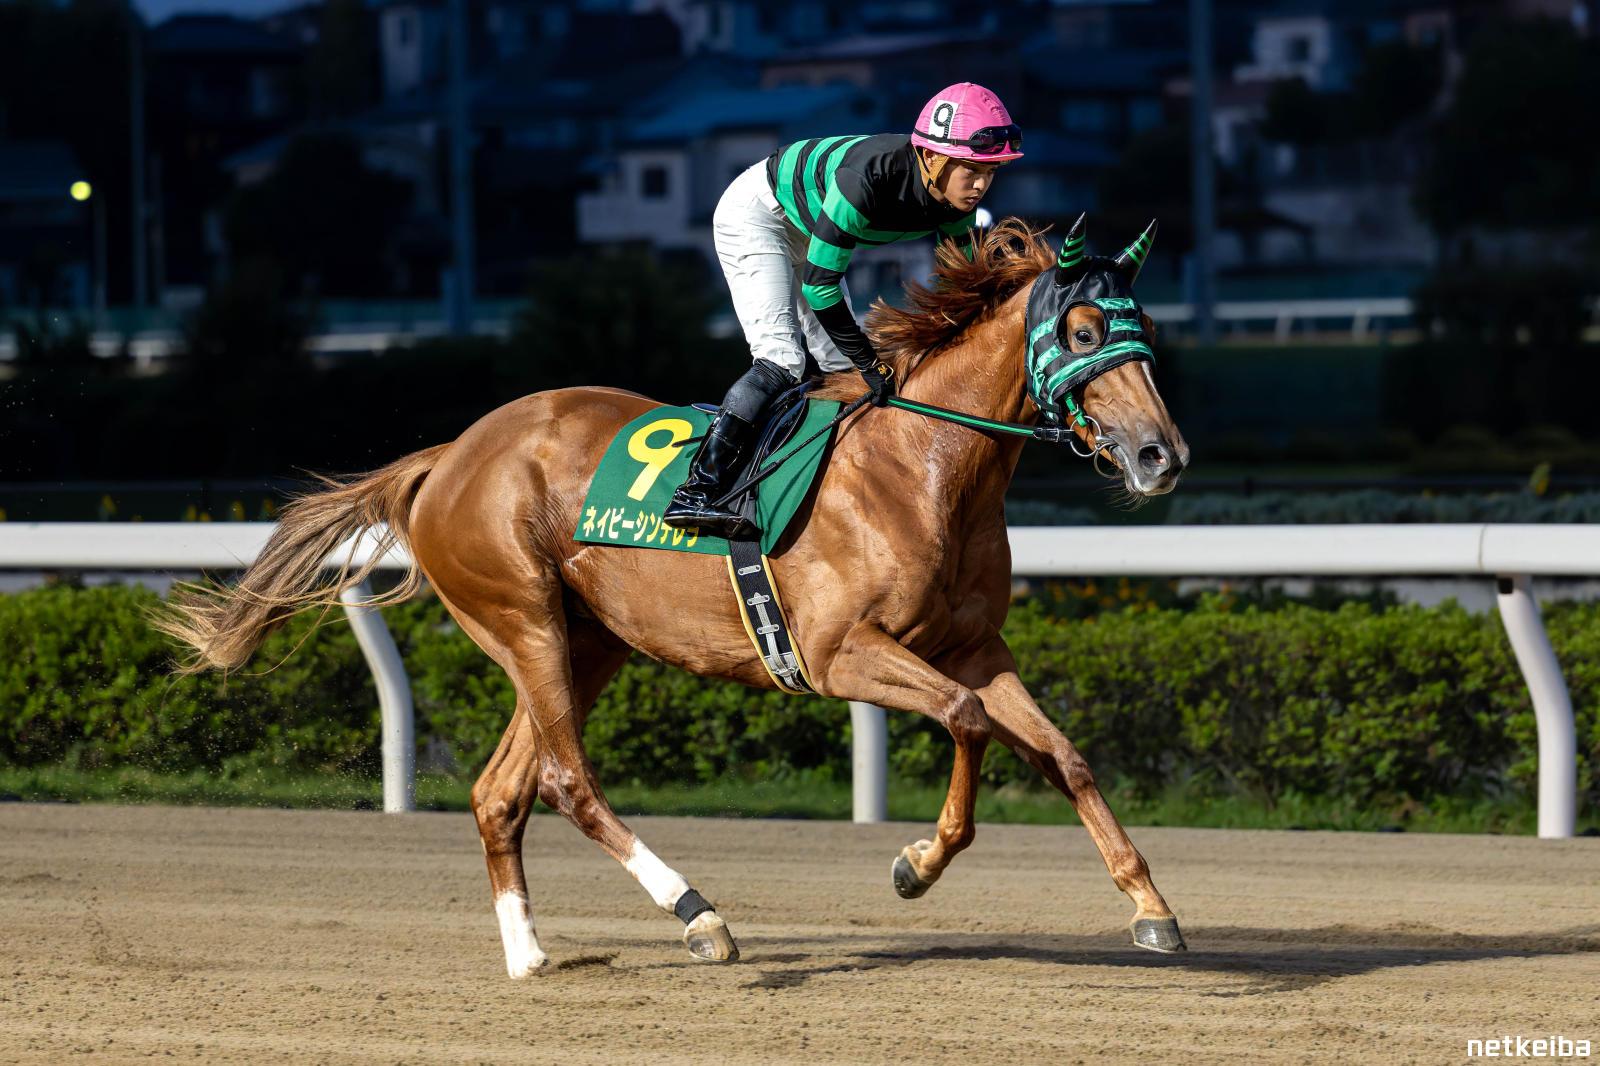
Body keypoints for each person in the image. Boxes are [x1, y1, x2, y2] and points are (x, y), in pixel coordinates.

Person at [661, 82, 1025, 538]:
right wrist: (871, 361)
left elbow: (968, 289)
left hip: (809, 226)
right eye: (971, 170)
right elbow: (819, 286)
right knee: (782, 359)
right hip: (759, 216)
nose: (981, 186)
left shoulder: (954, 203)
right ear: (932, 158)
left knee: (841, 374)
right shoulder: (869, 178)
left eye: (990, 172)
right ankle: (697, 491)